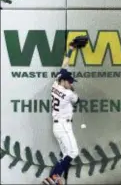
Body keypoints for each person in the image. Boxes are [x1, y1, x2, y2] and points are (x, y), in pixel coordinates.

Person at [42, 44, 79, 185]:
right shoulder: (68, 93)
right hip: (63, 126)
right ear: (63, 81)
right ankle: (51, 180)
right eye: (69, 82)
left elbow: (64, 66)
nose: (71, 83)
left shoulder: (55, 84)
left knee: (65, 155)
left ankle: (53, 179)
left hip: (57, 126)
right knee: (73, 153)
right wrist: (73, 89)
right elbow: (77, 99)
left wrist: (70, 49)